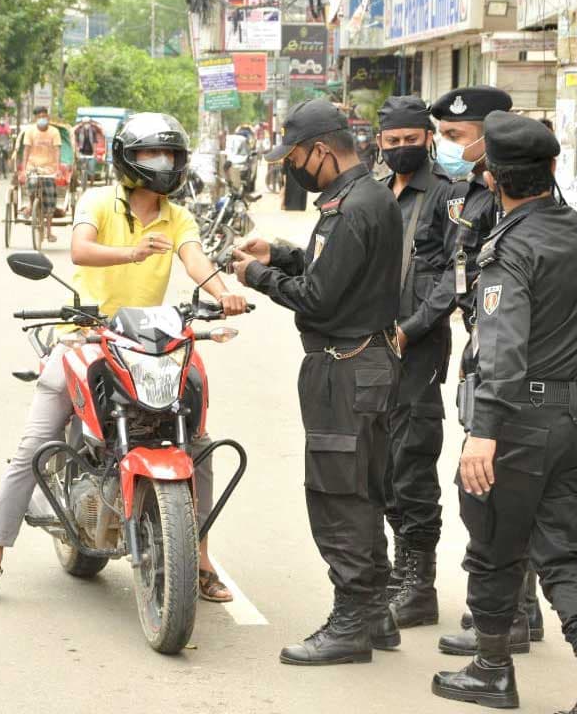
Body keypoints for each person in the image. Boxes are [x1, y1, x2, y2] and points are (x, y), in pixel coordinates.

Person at [0, 113, 249, 608]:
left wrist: (225, 292)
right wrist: (132, 254)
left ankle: (199, 558)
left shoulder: (177, 216)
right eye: (150, 155)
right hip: (86, 337)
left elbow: (196, 258)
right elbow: (80, 249)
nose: (163, 164)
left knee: (197, 443)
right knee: (36, 444)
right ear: (127, 160)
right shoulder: (98, 200)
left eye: (171, 156)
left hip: (149, 340)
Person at [431, 111, 577, 714]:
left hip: (521, 424)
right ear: (553, 169)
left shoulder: (507, 249)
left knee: (494, 546)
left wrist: (482, 433)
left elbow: (503, 350)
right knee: (566, 558)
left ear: (493, 180)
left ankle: (492, 670)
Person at [230, 98, 404, 666]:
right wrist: (279, 253)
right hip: (367, 362)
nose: (292, 168)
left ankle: (352, 624)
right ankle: (375, 615)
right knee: (364, 489)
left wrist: (257, 277)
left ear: (322, 150)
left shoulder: (353, 207)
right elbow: (332, 270)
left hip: (346, 367)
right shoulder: (366, 197)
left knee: (339, 496)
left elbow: (320, 298)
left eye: (296, 157)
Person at [406, 85, 548, 656]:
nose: (447, 147)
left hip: (506, 361)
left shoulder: (508, 203)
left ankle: (510, 614)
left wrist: (415, 325)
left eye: (456, 137)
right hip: (491, 349)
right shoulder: (472, 194)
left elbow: (476, 284)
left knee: (494, 490)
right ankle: (523, 608)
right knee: (509, 491)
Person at [374, 95, 454, 630]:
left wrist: (412, 327)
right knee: (378, 465)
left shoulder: (449, 196)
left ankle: (417, 583)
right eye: (393, 142)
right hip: (371, 351)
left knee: (413, 464)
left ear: (428, 138)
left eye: (412, 140)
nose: (403, 149)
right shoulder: (376, 196)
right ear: (380, 143)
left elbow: (456, 274)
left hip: (417, 350)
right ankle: (392, 572)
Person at [19, 105, 61, 241]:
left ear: (47, 117)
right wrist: (23, 169)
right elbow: (26, 150)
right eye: (39, 117)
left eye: (44, 116)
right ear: (35, 118)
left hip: (49, 168)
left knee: (49, 199)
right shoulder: (30, 131)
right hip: (33, 166)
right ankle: (32, 205)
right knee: (31, 182)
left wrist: (58, 168)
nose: (42, 119)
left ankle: (49, 231)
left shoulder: (54, 132)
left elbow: (57, 151)